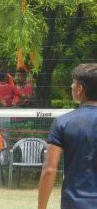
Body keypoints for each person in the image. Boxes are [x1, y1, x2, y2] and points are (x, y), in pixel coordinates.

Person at [38, 63, 97, 209]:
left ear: (79, 89)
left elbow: (50, 170)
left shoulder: (63, 122)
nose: (71, 86)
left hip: (75, 203)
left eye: (73, 83)